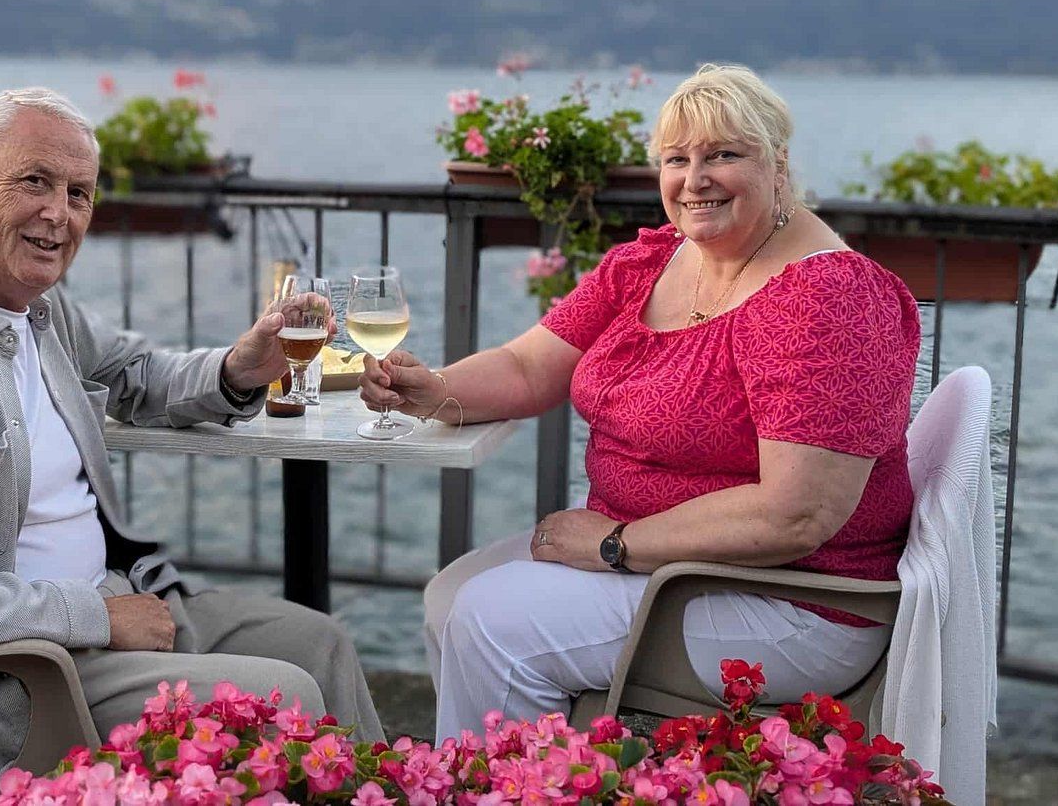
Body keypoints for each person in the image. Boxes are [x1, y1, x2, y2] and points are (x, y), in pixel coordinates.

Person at [0, 88, 383, 806]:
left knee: (321, 644)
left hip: (96, 616)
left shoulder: (27, 300)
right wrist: (95, 616)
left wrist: (237, 369)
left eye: (79, 194)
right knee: (286, 696)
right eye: (33, 181)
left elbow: (134, 370)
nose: (57, 215)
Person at [361, 63, 920, 739]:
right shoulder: (655, 260)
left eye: (723, 155)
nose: (695, 180)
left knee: (490, 621)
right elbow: (528, 366)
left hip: (791, 598)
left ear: (778, 164)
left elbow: (796, 513)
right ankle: (561, 772)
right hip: (678, 567)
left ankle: (519, 784)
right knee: (448, 598)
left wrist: (616, 545)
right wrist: (433, 390)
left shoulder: (825, 298)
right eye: (676, 160)